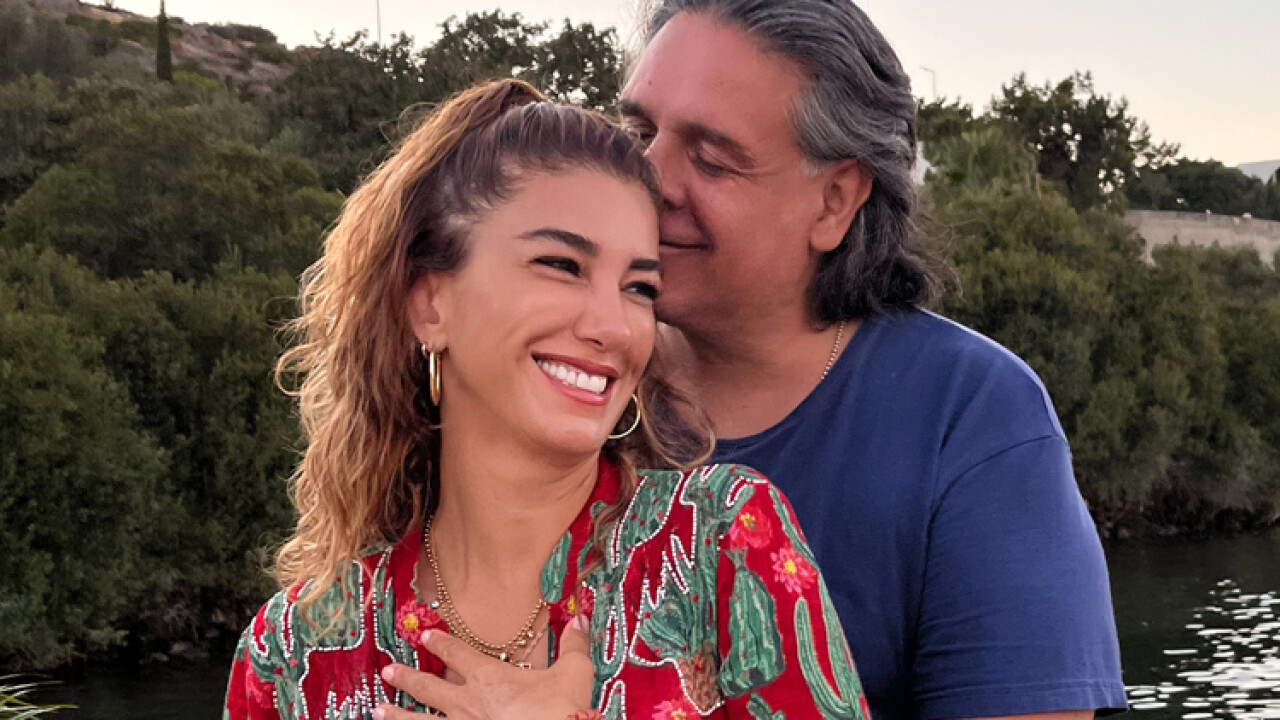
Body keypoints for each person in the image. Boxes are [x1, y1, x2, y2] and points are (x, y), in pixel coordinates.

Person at [223, 79, 870, 720]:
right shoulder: (293, 654)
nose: (614, 327)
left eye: (639, 288)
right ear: (430, 304)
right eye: (562, 265)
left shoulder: (723, 543)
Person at [613, 1, 1129, 719]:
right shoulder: (551, 374)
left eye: (711, 159)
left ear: (835, 200)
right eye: (637, 134)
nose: (649, 177)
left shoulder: (972, 419)